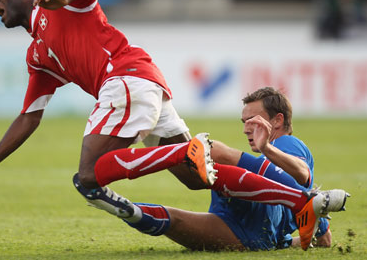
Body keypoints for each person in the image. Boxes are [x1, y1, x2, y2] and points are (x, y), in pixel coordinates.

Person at [0, 0, 347, 251]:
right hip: (144, 85)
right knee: (195, 179)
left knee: (88, 178)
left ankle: (178, 152)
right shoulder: (37, 55)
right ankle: (300, 200)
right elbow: (29, 117)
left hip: (126, 79)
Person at [120, 87, 344, 251]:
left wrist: (266, 147)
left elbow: (301, 173)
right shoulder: (309, 198)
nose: (246, 128)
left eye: (253, 120)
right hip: (243, 235)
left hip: (246, 223)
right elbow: (325, 240)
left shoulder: (286, 144)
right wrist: (281, 242)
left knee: (214, 151)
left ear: (277, 121)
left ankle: (143, 138)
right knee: (169, 219)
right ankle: (109, 200)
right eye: (244, 121)